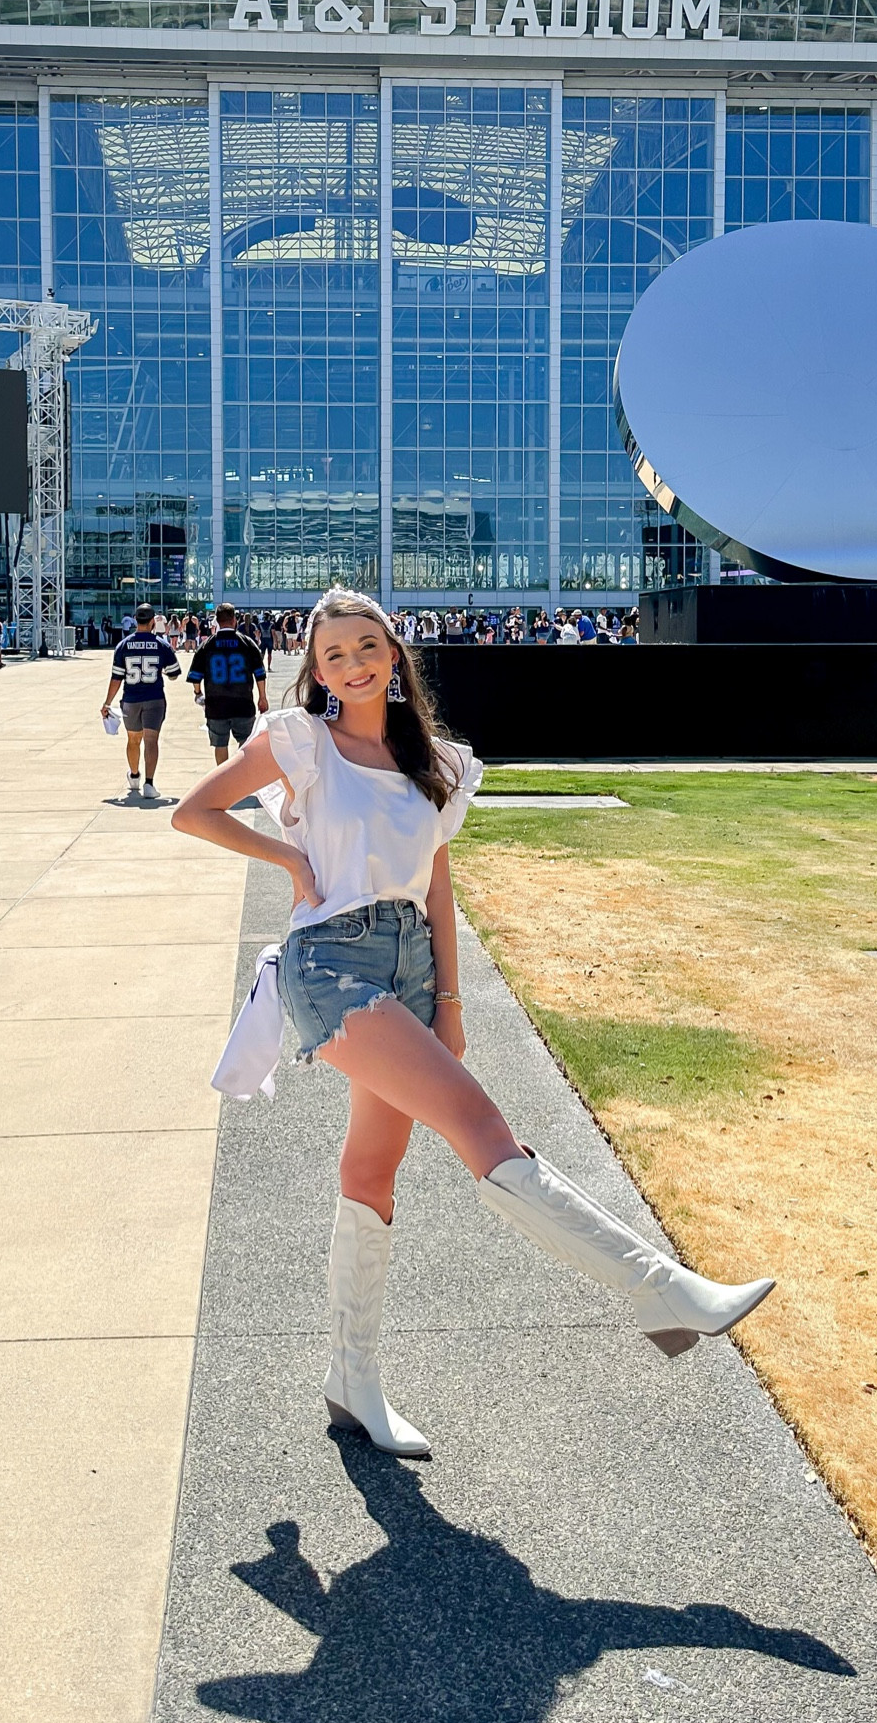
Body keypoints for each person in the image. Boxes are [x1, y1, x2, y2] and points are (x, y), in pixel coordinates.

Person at [171, 586, 774, 1459]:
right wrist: (291, 860)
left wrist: (449, 1004)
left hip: (411, 966)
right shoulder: (301, 740)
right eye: (334, 654)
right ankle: (662, 1290)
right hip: (332, 964)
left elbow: (439, 892)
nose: (353, 664)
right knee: (482, 1126)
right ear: (318, 670)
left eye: (367, 646)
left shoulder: (438, 762)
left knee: (372, 1169)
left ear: (394, 653)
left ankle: (351, 1381)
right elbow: (194, 811)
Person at [100, 602, 181, 798]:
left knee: (133, 739)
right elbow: (174, 673)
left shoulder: (123, 645)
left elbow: (116, 678)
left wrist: (107, 703)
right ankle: (149, 784)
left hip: (131, 699)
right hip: (154, 698)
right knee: (151, 740)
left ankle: (135, 775)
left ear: (136, 620)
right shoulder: (162, 645)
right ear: (153, 621)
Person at [189, 602, 270, 764]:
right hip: (243, 702)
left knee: (220, 744)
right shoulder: (247, 643)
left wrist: (198, 693)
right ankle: (242, 774)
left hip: (216, 704)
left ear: (217, 621)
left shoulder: (207, 645)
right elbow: (260, 674)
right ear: (234, 620)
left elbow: (195, 676)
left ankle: (223, 774)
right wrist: (262, 697)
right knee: (246, 744)